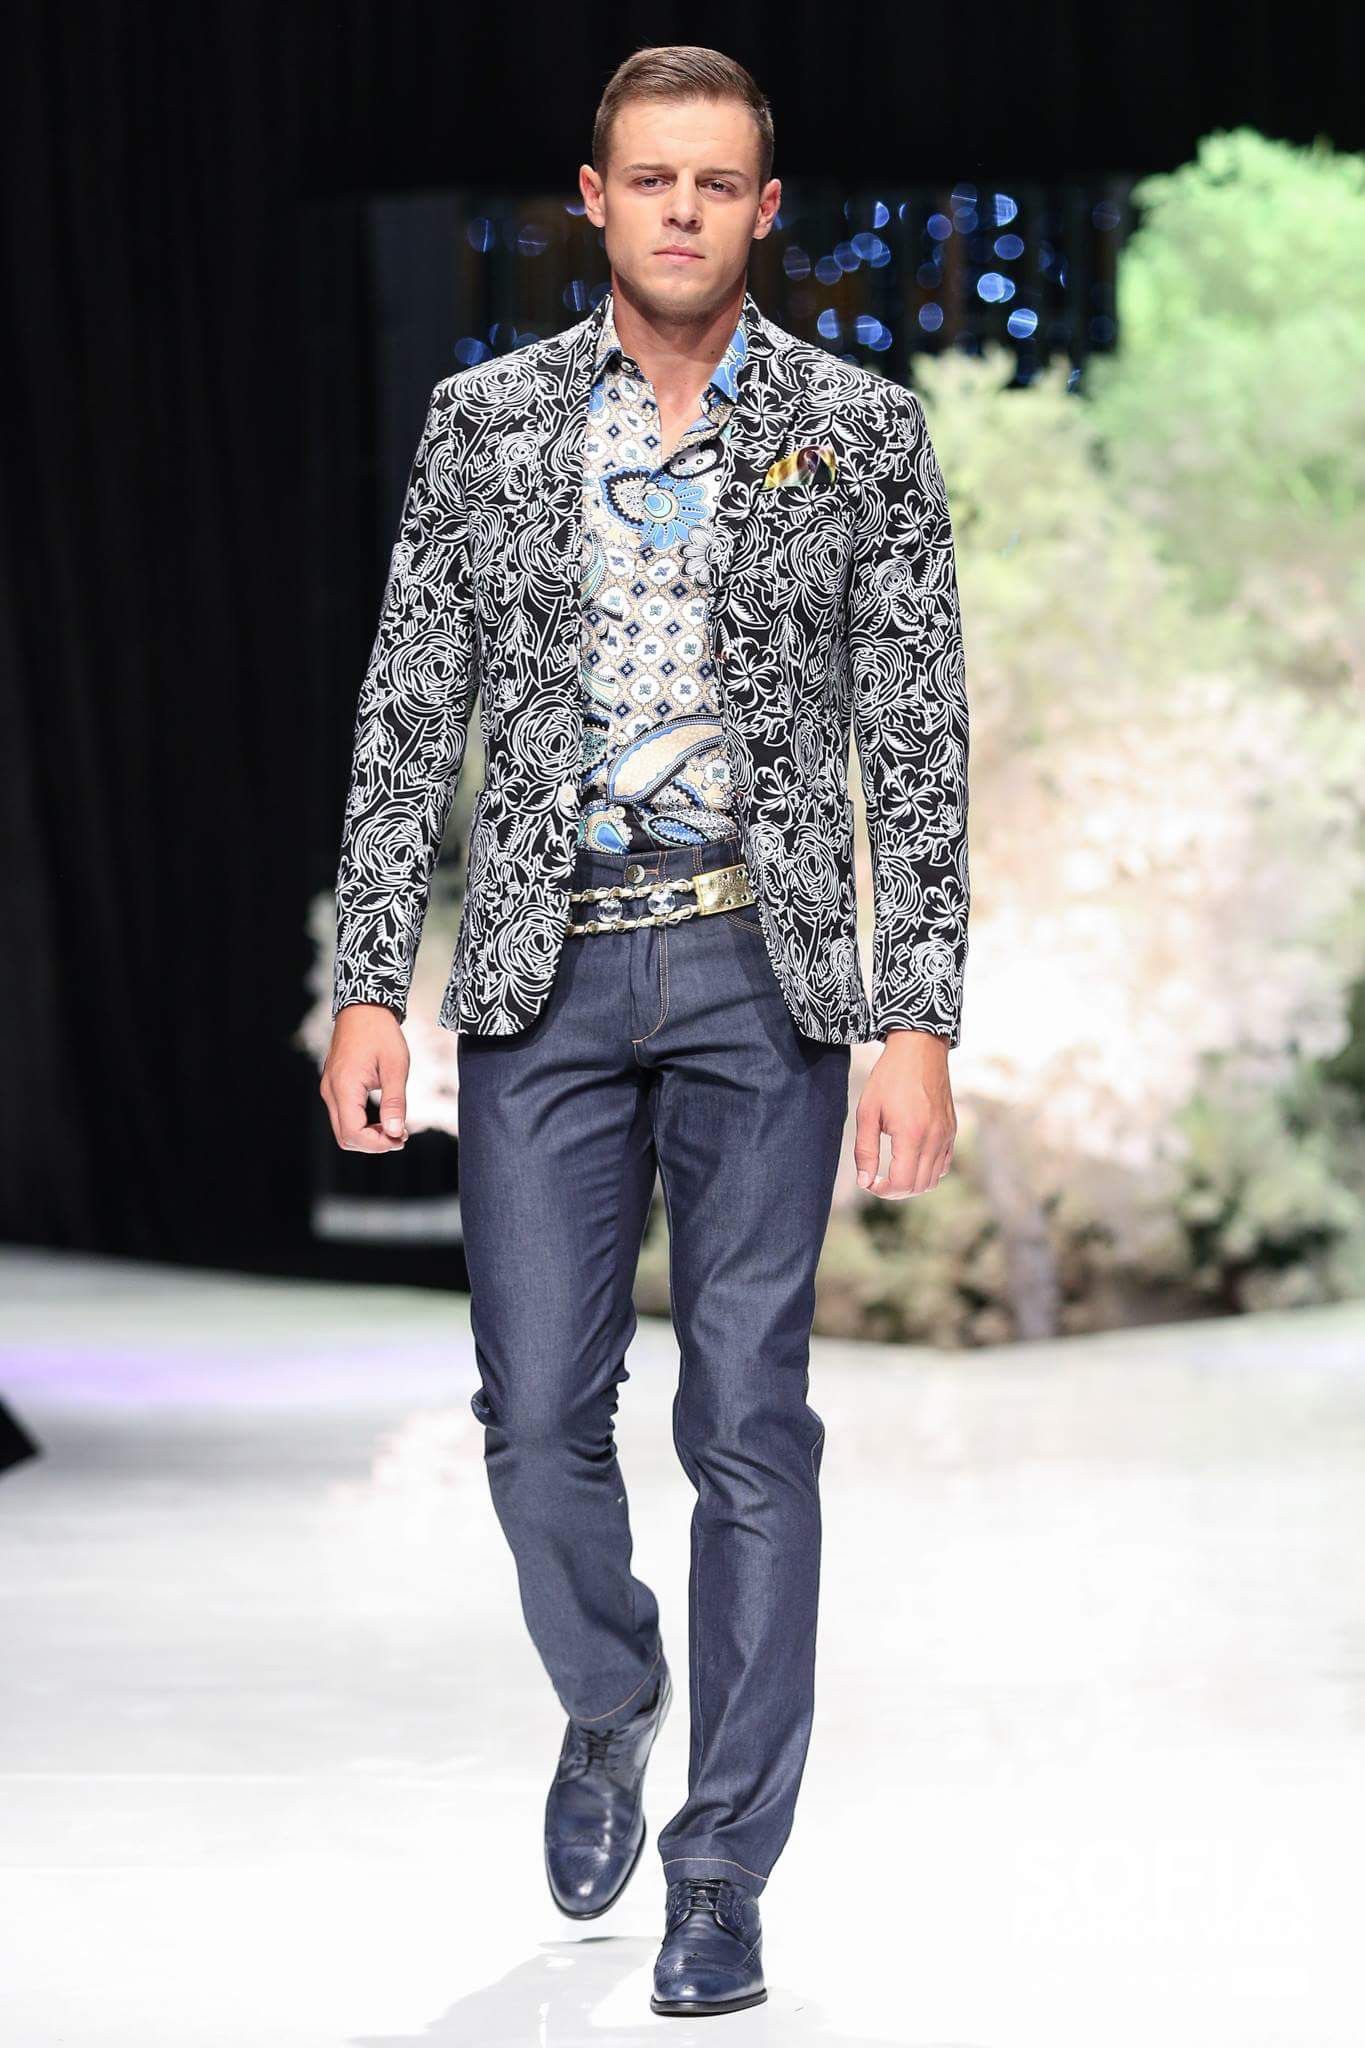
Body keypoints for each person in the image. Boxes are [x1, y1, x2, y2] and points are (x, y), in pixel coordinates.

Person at [319, 41, 970, 2022]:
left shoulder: (855, 430)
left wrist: (918, 1015)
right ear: (592, 202)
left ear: (763, 211)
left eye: (716, 182)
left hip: (766, 977)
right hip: (545, 979)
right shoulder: (488, 424)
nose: (681, 210)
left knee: (748, 1420)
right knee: (533, 1421)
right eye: (649, 179)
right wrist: (368, 978)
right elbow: (408, 710)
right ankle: (609, 1691)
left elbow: (913, 735)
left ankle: (719, 1874)